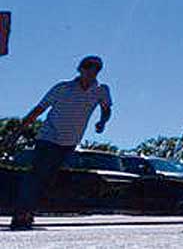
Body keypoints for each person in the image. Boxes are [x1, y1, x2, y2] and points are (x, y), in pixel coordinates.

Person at [9, 55, 113, 230]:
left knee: (46, 179)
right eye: (88, 67)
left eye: (96, 68)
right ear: (80, 69)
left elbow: (106, 109)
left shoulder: (101, 90)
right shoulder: (62, 88)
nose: (91, 71)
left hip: (69, 141)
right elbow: (39, 109)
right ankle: (21, 214)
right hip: (48, 138)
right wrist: (17, 132)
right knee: (36, 175)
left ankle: (29, 212)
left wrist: (102, 122)